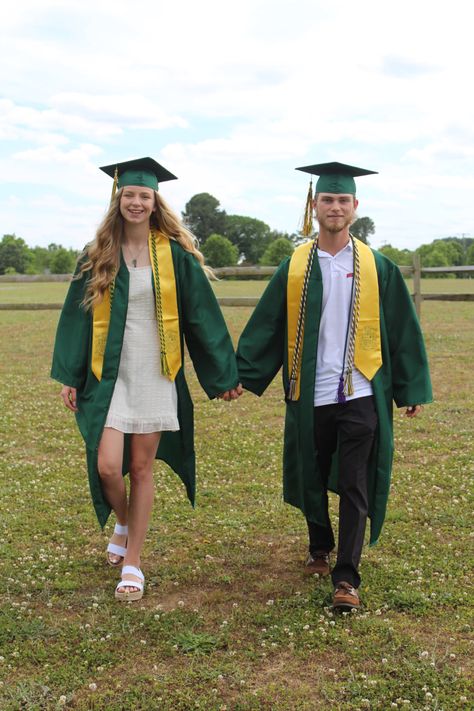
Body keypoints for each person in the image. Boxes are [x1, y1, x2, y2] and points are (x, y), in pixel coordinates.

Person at [236, 161, 432, 611]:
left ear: (355, 207)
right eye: (328, 199)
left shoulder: (376, 266)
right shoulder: (296, 266)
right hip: (311, 392)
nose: (336, 207)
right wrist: (240, 377)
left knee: (354, 482)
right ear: (315, 206)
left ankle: (346, 578)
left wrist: (411, 388)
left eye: (343, 200)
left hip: (362, 391)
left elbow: (402, 327)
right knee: (312, 473)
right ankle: (318, 545)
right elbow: (267, 324)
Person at [51, 157, 241, 601]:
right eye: (129, 195)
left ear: (156, 202)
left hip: (156, 372)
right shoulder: (97, 254)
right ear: (118, 199)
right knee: (108, 467)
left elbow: (202, 318)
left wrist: (223, 374)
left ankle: (133, 561)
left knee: (141, 467)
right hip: (109, 374)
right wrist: (71, 375)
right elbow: (77, 318)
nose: (136, 202)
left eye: (144, 195)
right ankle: (122, 520)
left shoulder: (173, 255)